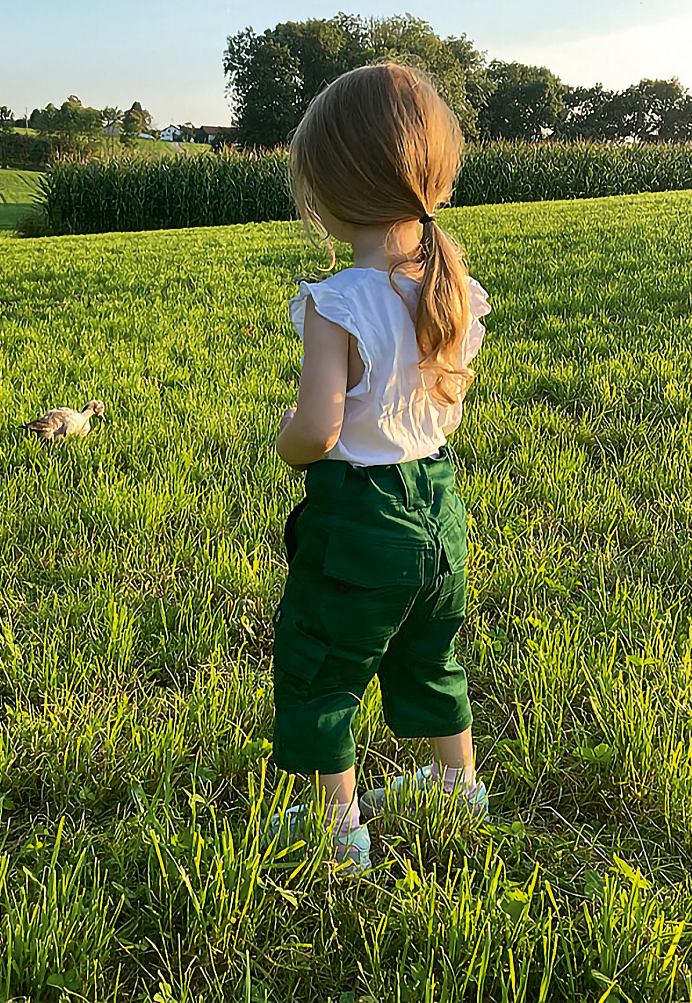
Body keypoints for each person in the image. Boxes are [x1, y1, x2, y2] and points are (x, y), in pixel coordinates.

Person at [269, 62, 491, 874]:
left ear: (325, 192)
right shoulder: (454, 289)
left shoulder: (338, 301)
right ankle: (455, 783)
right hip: (439, 509)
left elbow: (319, 432)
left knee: (322, 664)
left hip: (359, 516)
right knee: (430, 650)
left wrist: (284, 439)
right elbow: (443, 409)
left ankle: (337, 832)